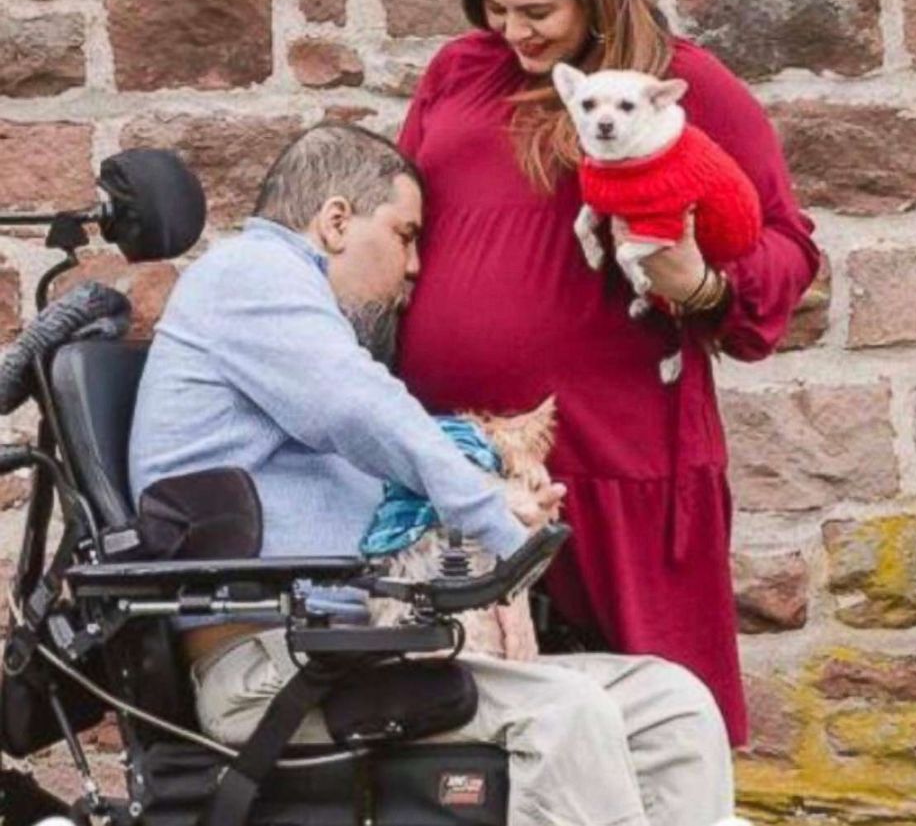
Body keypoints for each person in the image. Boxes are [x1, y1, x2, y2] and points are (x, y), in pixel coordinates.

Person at [128, 122, 739, 826]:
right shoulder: (251, 277)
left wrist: (499, 506)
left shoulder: (296, 328)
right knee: (563, 715)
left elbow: (379, 484)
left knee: (672, 705)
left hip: (351, 647)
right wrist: (488, 512)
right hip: (270, 666)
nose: (415, 266)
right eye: (405, 233)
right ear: (334, 220)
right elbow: (366, 410)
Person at [395, 0, 821, 749]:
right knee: (475, 728)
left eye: (537, 11)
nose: (513, 32)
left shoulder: (677, 85)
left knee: (650, 723)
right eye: (496, 9)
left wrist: (702, 284)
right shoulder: (459, 72)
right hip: (469, 464)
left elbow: (788, 243)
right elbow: (397, 204)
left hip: (617, 460)